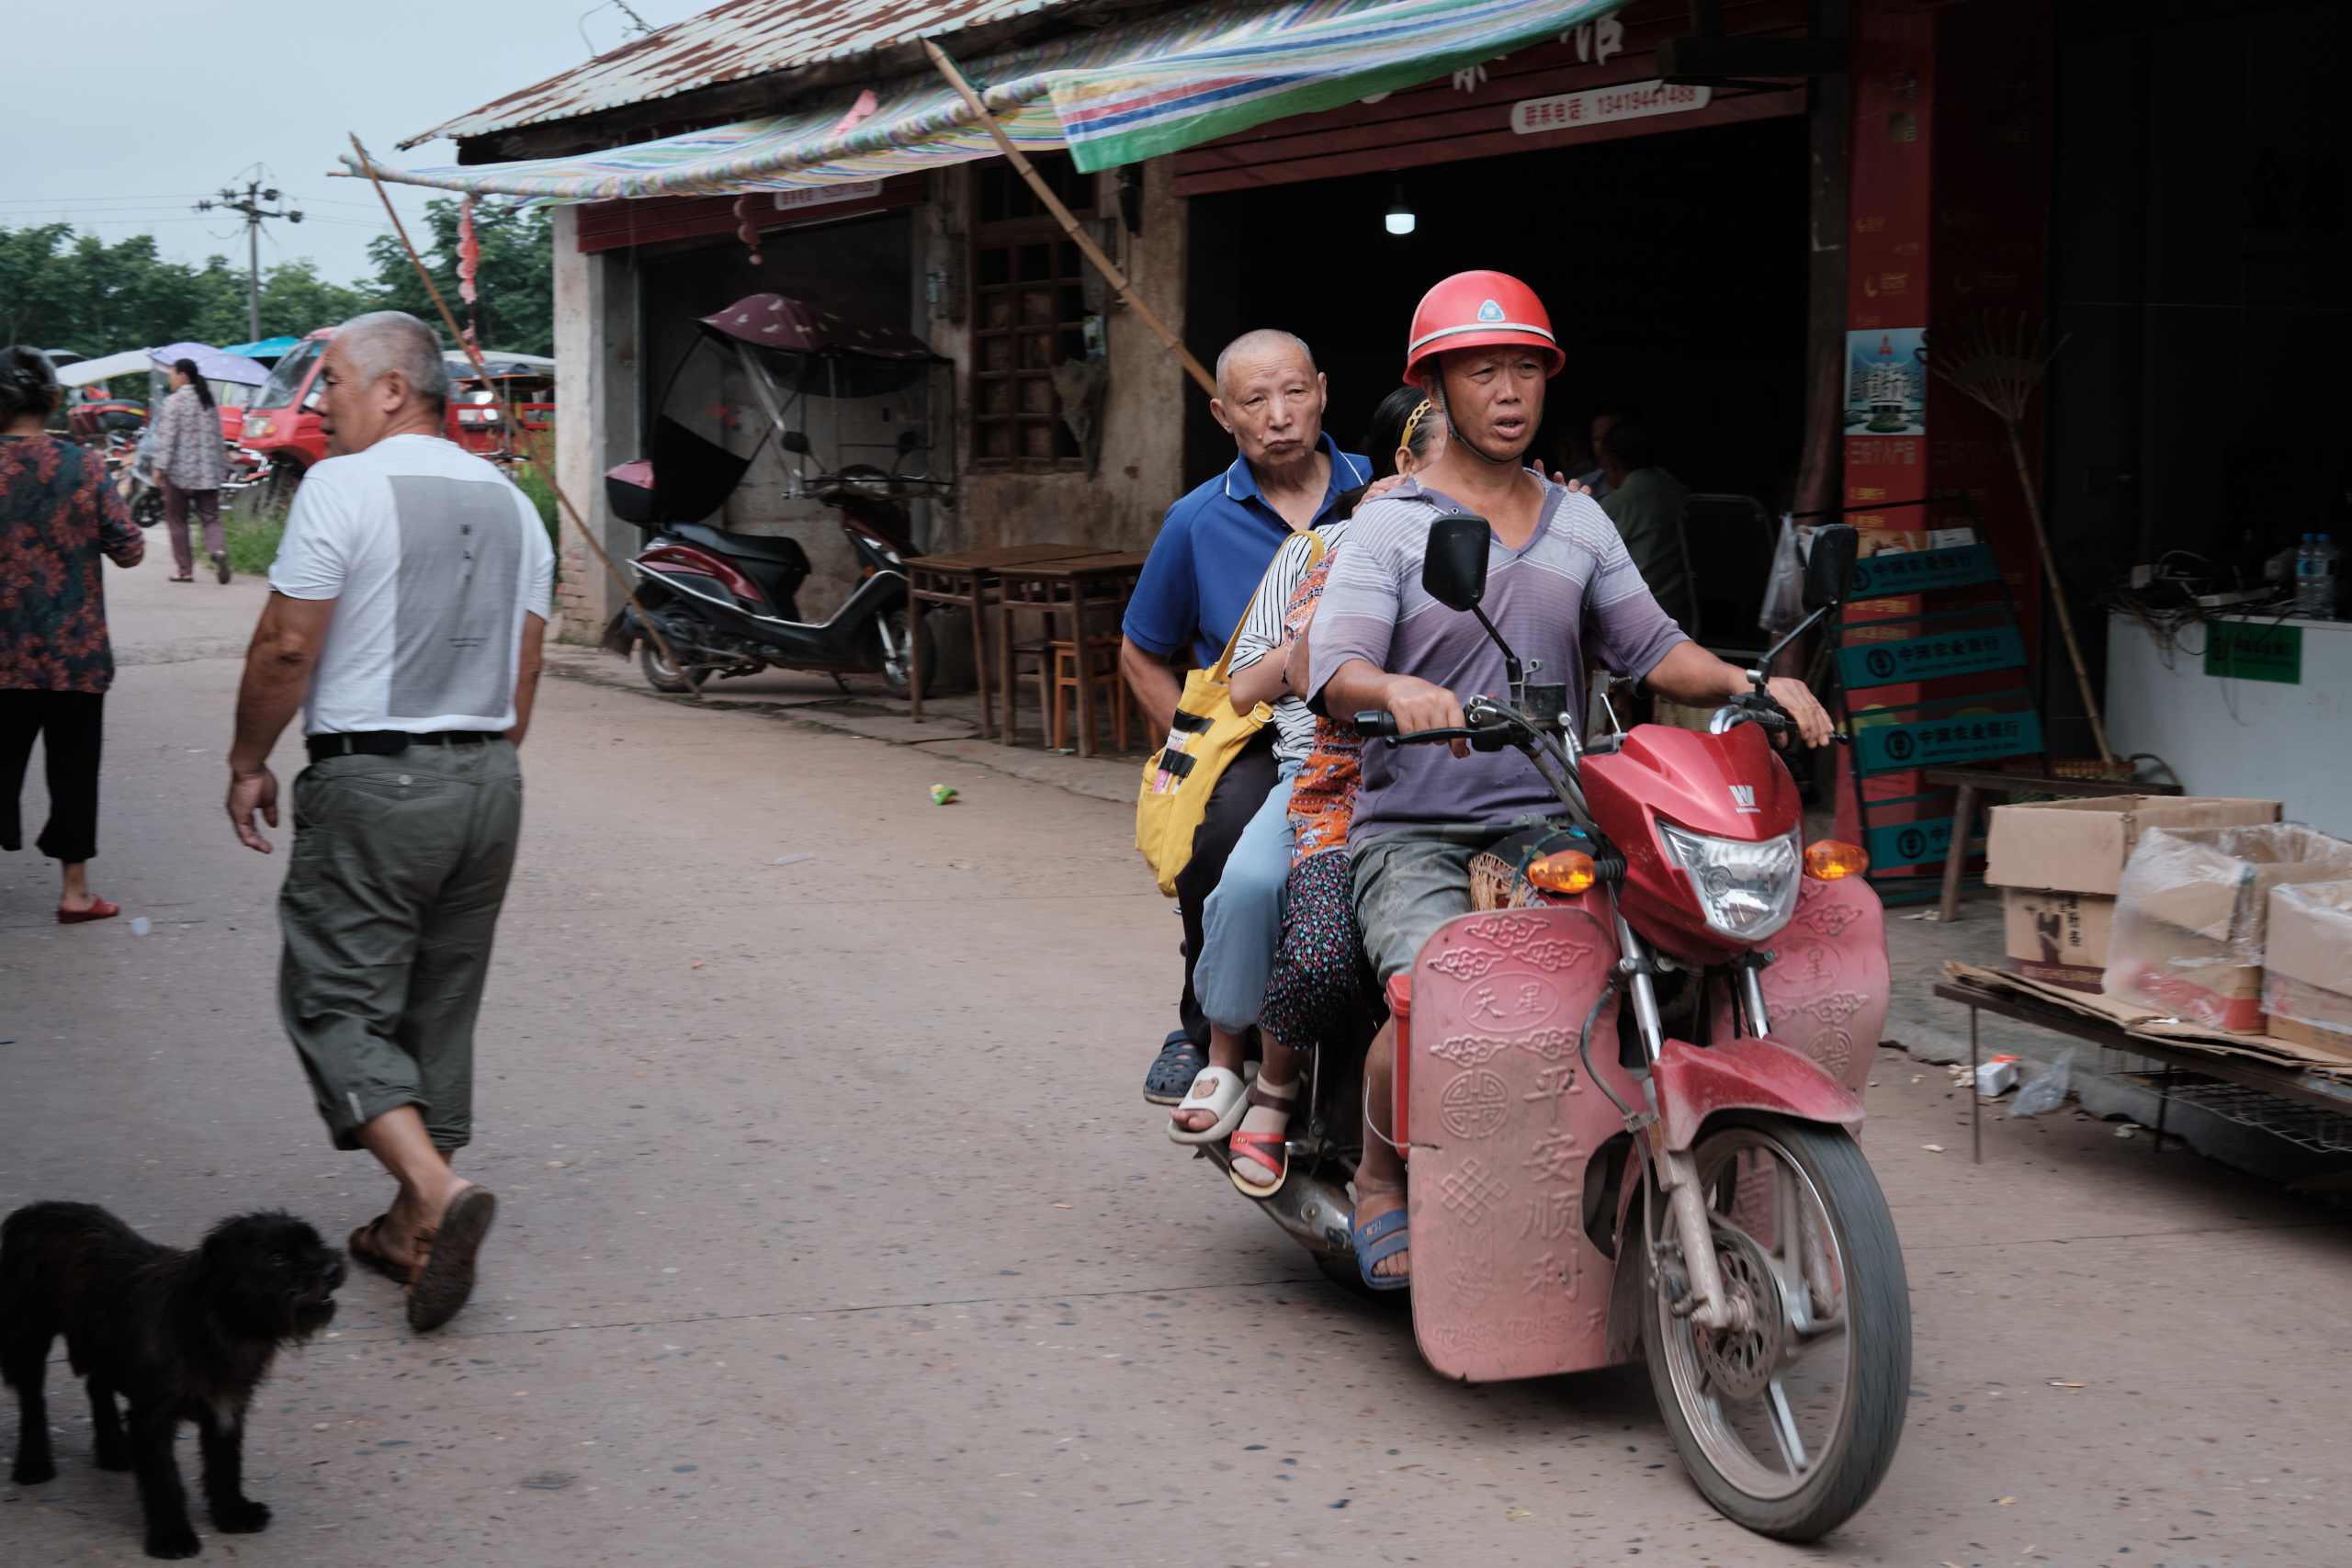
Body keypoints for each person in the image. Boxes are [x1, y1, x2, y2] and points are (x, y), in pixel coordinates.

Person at [1306, 273, 1831, 1287]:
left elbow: (1651, 647)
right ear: (1438, 386)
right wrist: (1400, 692)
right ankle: (1377, 1177)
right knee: (1434, 1000)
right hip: (1411, 827)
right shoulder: (1390, 525)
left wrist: (1749, 679)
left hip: (1548, 813)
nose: (1507, 391)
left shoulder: (1580, 522)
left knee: (1658, 969)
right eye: (1481, 370)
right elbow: (1336, 671)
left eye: (1525, 369)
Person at [223, 311, 552, 1333]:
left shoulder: (342, 487)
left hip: (377, 779)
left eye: (332, 384)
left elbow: (286, 646)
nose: (320, 404)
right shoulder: (513, 503)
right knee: (440, 1001)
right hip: (490, 781)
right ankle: (411, 1228)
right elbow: (527, 670)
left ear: (395, 390)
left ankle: (440, 1195)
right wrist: (476, 767)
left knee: (333, 1000)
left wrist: (247, 761)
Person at [1179, 389, 1448, 1193]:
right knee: (1263, 884)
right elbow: (1249, 687)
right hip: (1326, 770)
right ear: (1402, 465)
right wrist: (1320, 645)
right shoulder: (1324, 549)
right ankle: (1243, 1061)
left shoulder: (1507, 540)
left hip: (1460, 776)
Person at [1120, 330, 1371, 1108]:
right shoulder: (1197, 519)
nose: (1279, 415)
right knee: (1222, 836)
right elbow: (1140, 652)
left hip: (1356, 720)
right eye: (1255, 400)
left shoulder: (1382, 488)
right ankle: (1202, 1030)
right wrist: (1189, 755)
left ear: (1324, 390)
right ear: (1222, 414)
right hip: (1249, 729)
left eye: (1294, 392)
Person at [0, 346, 144, 923]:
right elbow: (130, 550)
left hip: (2, 654)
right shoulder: (83, 466)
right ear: (55, 400)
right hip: (74, 653)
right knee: (74, 771)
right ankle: (76, 893)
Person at [1596, 415, 1695, 629]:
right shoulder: (1684, 495)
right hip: (1683, 617)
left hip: (1632, 622)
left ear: (1609, 461)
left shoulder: (1614, 505)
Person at [149, 357, 230, 584]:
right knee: (211, 519)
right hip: (208, 474)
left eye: (172, 375)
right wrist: (223, 468)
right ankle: (218, 552)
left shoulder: (172, 402)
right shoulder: (207, 402)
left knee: (177, 520)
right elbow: (218, 438)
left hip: (179, 475)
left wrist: (158, 467)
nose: (171, 380)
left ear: (183, 375)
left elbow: (166, 438)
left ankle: (185, 571)